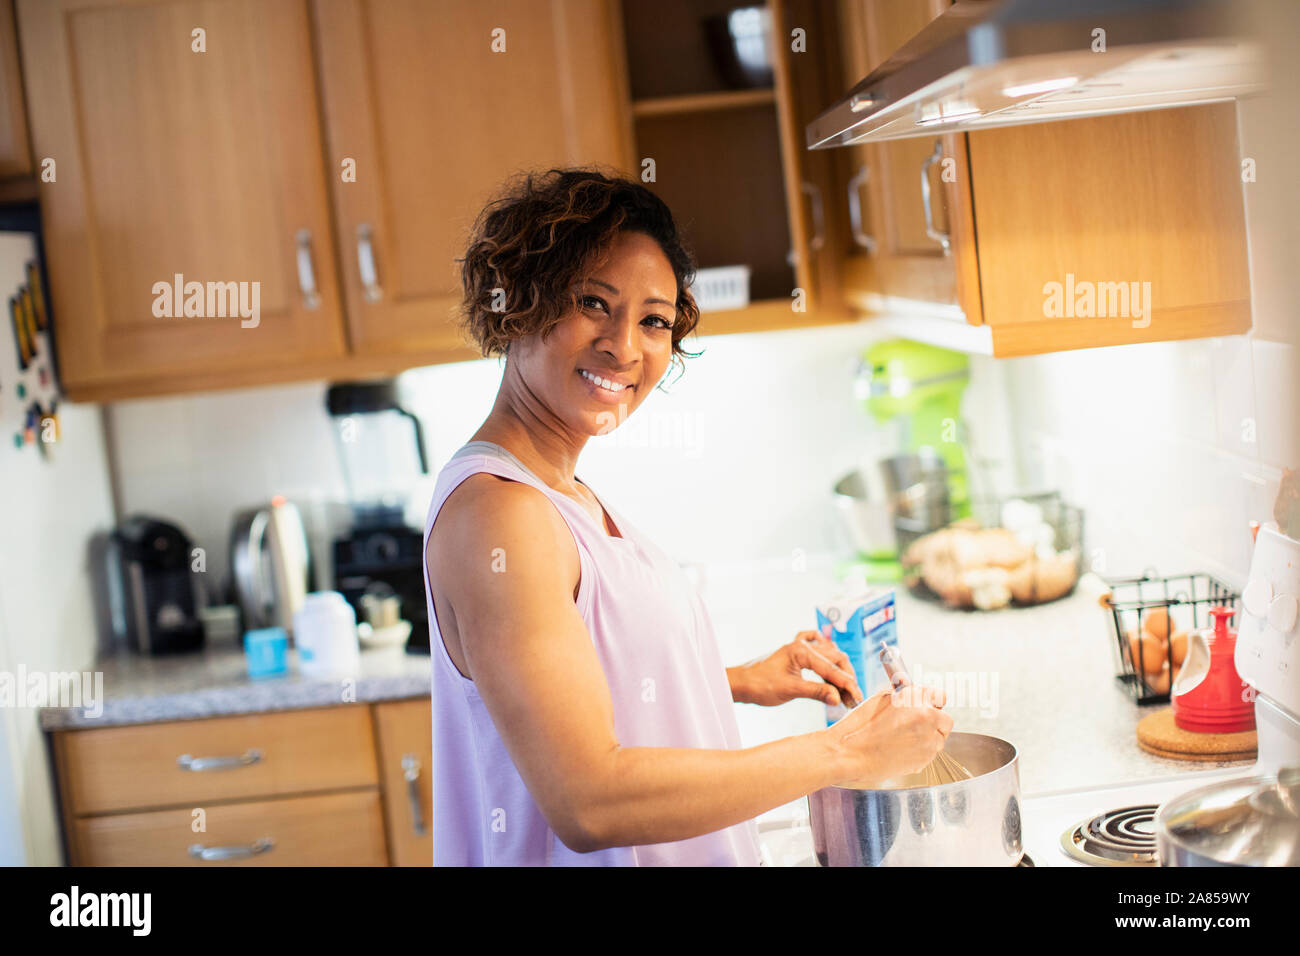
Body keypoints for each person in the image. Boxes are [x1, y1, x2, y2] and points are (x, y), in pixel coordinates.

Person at [423, 167, 952, 865]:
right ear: (521, 301)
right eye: (593, 302)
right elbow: (589, 799)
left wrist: (728, 680)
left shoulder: (557, 490)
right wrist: (845, 751)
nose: (626, 346)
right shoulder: (499, 516)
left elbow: (578, 687)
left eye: (654, 320)